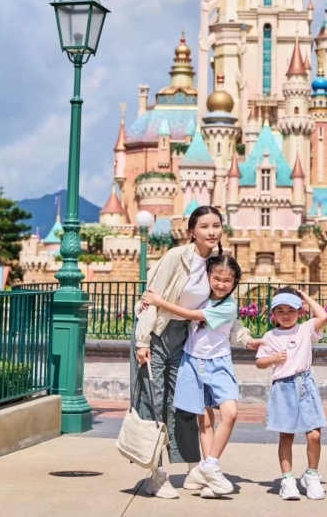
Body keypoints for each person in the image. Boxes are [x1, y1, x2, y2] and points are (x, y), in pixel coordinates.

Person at [132, 206, 258, 499]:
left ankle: (193, 471)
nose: (211, 232)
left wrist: (246, 338)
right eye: (204, 226)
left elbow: (223, 313)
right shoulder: (178, 257)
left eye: (216, 225)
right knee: (155, 404)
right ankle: (155, 474)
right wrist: (142, 340)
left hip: (187, 340)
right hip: (158, 332)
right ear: (192, 231)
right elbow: (152, 297)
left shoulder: (219, 265)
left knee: (186, 408)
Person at [141, 254, 245, 498]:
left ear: (235, 282)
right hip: (192, 362)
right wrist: (149, 304)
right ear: (208, 277)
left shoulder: (227, 306)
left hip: (218, 365)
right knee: (204, 421)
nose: (220, 284)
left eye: (226, 280)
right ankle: (206, 475)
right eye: (216, 278)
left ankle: (211, 464)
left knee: (230, 412)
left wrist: (159, 301)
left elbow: (192, 316)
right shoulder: (201, 298)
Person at [256, 286, 327, 501]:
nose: (286, 315)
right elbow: (260, 362)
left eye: (291, 310)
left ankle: (312, 475)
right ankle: (287, 479)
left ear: (300, 311)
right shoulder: (270, 335)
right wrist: (273, 359)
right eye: (280, 311)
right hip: (283, 387)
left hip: (305, 384)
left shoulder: (305, 329)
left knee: (314, 434)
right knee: (286, 435)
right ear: (273, 314)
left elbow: (323, 316)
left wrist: (305, 296)